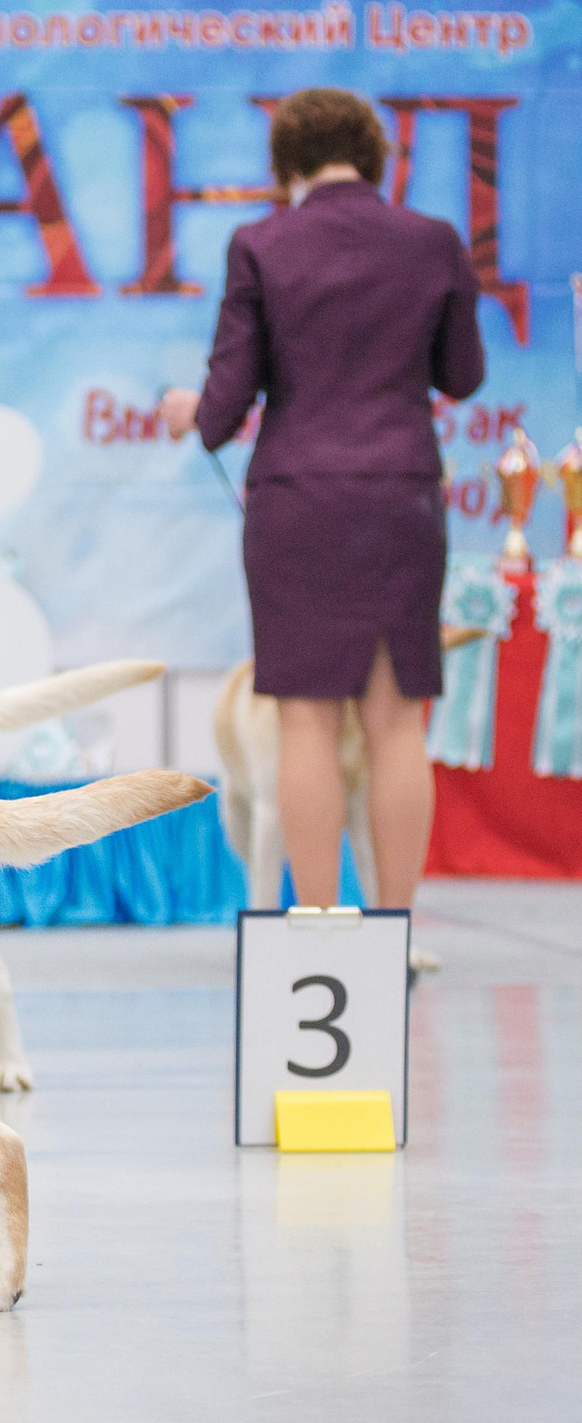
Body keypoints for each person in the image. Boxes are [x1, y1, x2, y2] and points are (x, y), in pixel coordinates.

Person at [160, 88, 484, 913]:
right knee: (395, 723)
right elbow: (463, 374)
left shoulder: (260, 244)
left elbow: (225, 408)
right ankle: (396, 930)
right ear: (374, 156)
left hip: (298, 502)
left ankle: (318, 932)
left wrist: (193, 412)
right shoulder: (435, 241)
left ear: (286, 165)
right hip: (401, 499)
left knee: (304, 720)